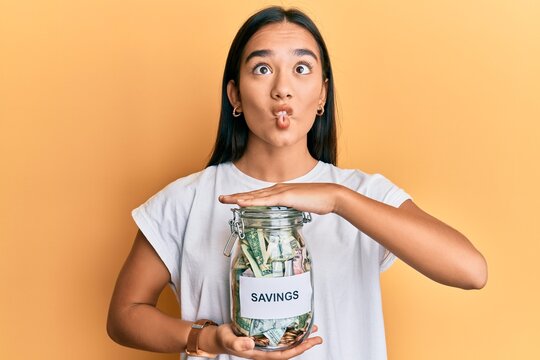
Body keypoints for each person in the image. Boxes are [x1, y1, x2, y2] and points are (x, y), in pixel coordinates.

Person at [107, 6, 487, 360]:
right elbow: (124, 315)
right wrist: (204, 337)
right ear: (234, 94)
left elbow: (471, 271)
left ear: (322, 93)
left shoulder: (364, 194)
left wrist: (338, 199)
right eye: (262, 69)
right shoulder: (186, 201)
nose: (282, 89)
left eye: (301, 68)